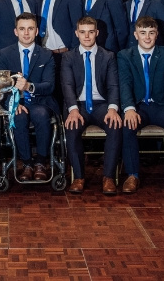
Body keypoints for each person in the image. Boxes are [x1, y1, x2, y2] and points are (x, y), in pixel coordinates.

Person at [118, 17, 164, 194]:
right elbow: (125, 84)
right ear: (136, 35)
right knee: (127, 124)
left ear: (157, 34)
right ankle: (132, 175)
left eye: (151, 33)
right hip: (138, 106)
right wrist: (128, 109)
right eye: (143, 33)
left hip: (161, 105)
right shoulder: (125, 55)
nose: (147, 37)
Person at [62, 17, 122, 195]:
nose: (86, 36)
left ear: (97, 33)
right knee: (72, 127)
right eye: (82, 32)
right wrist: (72, 110)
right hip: (78, 104)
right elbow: (67, 85)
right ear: (76, 33)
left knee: (115, 125)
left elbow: (113, 86)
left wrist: (112, 108)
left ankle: (108, 177)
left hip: (101, 104)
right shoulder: (68, 57)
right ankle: (79, 177)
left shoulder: (108, 56)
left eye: (90, 32)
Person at [0, 13, 56, 182]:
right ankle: (27, 163)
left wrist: (29, 86)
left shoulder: (46, 55)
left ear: (37, 31)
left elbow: (49, 85)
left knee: (40, 114)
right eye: (22, 29)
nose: (26, 33)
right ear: (16, 31)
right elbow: (0, 86)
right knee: (19, 115)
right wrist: (13, 103)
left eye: (30, 29)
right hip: (16, 102)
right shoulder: (5, 54)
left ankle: (41, 163)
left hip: (40, 102)